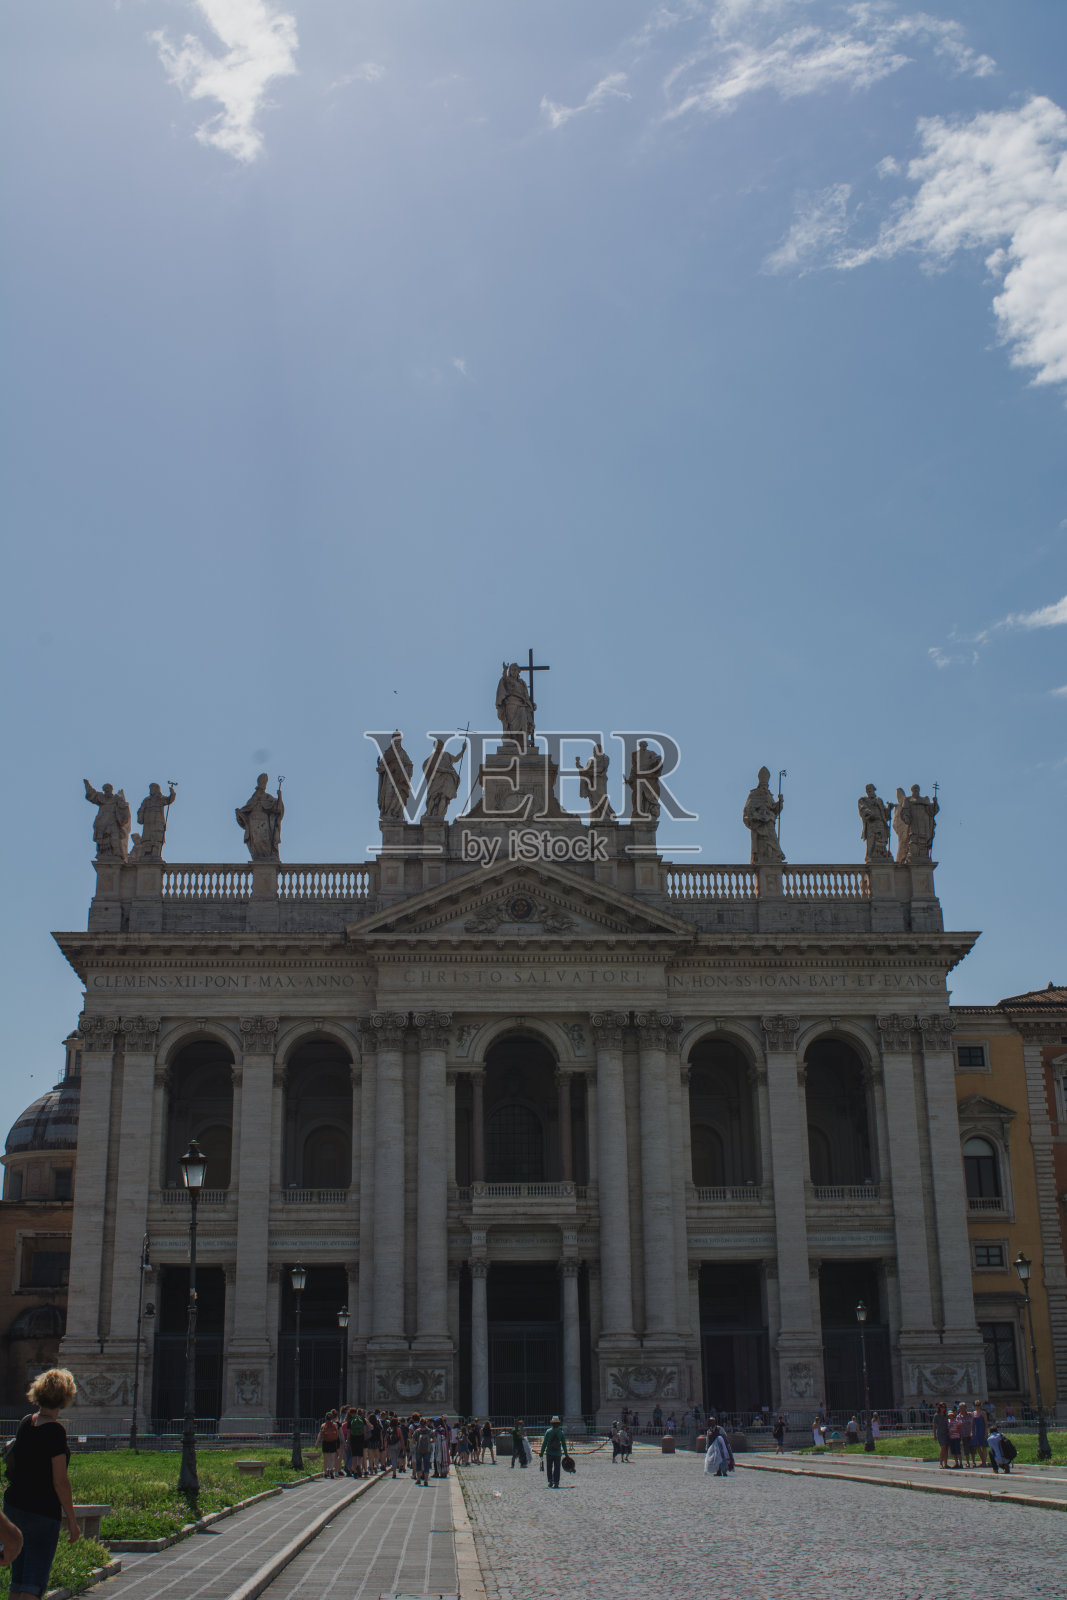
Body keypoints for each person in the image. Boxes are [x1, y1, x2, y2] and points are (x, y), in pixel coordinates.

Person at [4, 1367, 81, 1600]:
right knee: (33, 1582)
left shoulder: (26, 1422)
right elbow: (60, 1481)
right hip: (42, 1512)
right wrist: (72, 1519)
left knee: (16, 1581)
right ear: (65, 1396)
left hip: (14, 1506)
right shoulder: (56, 1431)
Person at [539, 1415, 568, 1489]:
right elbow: (564, 1444)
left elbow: (545, 1442)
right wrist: (566, 1454)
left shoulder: (548, 1432)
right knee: (557, 1468)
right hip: (558, 1453)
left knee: (549, 1467)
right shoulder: (561, 1432)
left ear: (551, 1424)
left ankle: (550, 1481)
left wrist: (541, 1452)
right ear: (558, 1424)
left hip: (549, 1452)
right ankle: (556, 1482)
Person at [316, 1410, 341, 1478]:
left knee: (326, 1459)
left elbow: (320, 1434)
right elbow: (337, 1434)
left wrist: (317, 1443)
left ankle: (326, 1472)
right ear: (332, 1418)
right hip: (333, 1442)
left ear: (325, 1418)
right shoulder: (335, 1425)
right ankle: (331, 1469)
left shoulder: (323, 1425)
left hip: (325, 1442)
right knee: (332, 1458)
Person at [412, 1415, 433, 1486]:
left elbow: (413, 1440)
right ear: (426, 1423)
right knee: (426, 1464)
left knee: (418, 1463)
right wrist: (429, 1442)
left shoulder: (417, 1431)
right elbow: (434, 1439)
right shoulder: (429, 1431)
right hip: (427, 1449)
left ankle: (418, 1479)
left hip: (419, 1449)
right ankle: (426, 1480)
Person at [932, 1401, 950, 1468]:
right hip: (940, 1433)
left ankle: (945, 1463)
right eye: (942, 1407)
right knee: (943, 1448)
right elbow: (934, 1426)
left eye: (944, 1407)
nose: (943, 1408)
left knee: (946, 1449)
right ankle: (940, 1463)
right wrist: (934, 1435)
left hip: (946, 1433)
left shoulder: (946, 1415)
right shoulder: (936, 1415)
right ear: (939, 1408)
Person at [970, 1403, 988, 1467]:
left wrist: (986, 1432)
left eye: (978, 1405)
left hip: (982, 1430)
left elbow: (986, 1423)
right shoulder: (973, 1413)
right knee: (977, 1446)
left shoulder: (983, 1413)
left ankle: (984, 1462)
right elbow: (972, 1424)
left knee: (984, 1446)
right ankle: (983, 1461)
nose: (977, 1406)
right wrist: (971, 1432)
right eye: (975, 1405)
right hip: (976, 1431)